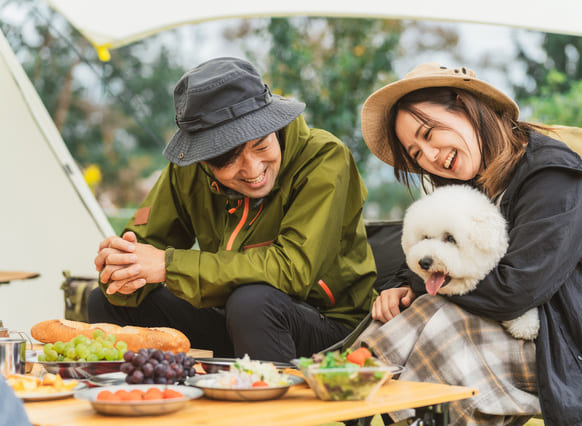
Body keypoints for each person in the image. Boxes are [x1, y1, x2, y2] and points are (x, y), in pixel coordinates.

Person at [356, 62, 582, 426]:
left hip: (574, 356)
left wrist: (421, 285)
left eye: (428, 134)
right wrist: (399, 286)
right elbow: (431, 251)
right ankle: (351, 393)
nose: (429, 156)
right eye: (415, 154)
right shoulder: (467, 185)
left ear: (465, 105)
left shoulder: (555, 178)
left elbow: (515, 290)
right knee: (404, 317)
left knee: (444, 326)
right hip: (508, 337)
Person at [88, 57, 377, 363]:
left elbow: (293, 269)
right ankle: (146, 401)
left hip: (330, 327)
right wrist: (121, 270)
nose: (253, 170)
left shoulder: (325, 158)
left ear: (273, 126)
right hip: (234, 316)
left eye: (262, 145)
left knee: (252, 302)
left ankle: (268, 407)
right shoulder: (188, 171)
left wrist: (168, 265)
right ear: (201, 158)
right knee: (108, 305)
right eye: (227, 159)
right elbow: (144, 250)